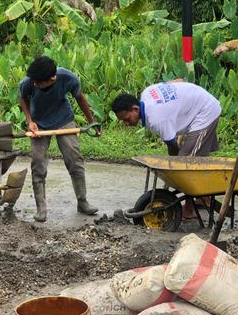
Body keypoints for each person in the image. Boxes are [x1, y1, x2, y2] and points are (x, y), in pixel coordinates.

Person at [111, 81, 221, 218]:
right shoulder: (146, 92)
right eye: (123, 121)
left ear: (135, 109)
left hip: (206, 111)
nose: (126, 124)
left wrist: (174, 171)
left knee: (188, 165)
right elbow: (177, 81)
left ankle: (190, 209)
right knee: (192, 159)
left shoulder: (157, 119)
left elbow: (172, 146)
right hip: (197, 103)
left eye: (127, 119)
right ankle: (202, 197)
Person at [19, 56, 99, 222]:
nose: (35, 84)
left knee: (74, 158)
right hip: (39, 124)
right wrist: (30, 121)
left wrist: (92, 122)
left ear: (52, 79)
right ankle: (41, 208)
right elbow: (23, 99)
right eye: (34, 81)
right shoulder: (28, 83)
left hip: (64, 119)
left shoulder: (67, 78)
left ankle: (82, 202)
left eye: (39, 83)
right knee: (38, 163)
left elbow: (80, 98)